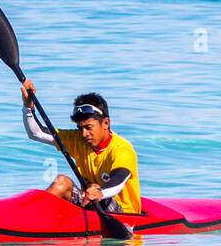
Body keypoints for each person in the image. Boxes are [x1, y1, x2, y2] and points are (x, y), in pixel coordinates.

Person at [20, 79, 141, 215]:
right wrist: (28, 107)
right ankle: (33, 216)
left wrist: (100, 192)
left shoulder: (122, 148)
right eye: (80, 128)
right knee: (62, 182)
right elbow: (37, 133)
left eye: (89, 127)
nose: (84, 134)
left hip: (122, 212)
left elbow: (119, 180)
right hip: (89, 201)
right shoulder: (78, 139)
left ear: (106, 123)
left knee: (94, 187)